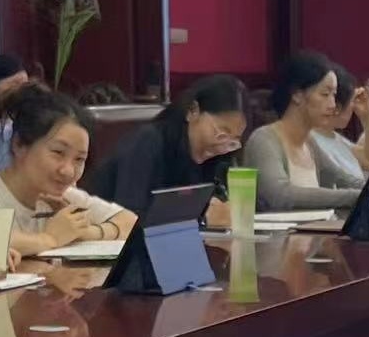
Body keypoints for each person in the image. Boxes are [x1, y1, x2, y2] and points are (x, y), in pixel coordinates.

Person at [0, 84, 135, 256]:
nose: (68, 171)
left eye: (79, 159)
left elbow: (130, 222)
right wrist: (50, 238)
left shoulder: (61, 196)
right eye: (58, 152)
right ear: (19, 144)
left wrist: (85, 232)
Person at [85, 74, 249, 225]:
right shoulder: (148, 143)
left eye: (233, 140)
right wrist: (203, 220)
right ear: (193, 111)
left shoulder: (219, 159)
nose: (223, 146)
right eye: (221, 132)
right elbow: (129, 218)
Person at [241, 53, 364, 210]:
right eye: (325, 94)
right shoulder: (264, 139)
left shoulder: (309, 142)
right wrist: (355, 197)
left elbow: (344, 180)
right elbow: (281, 195)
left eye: (334, 95)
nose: (332, 105)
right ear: (297, 95)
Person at [311, 65, 369, 183]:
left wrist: (368, 118)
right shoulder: (312, 140)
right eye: (352, 101)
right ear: (337, 107)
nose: (354, 108)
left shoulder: (336, 138)